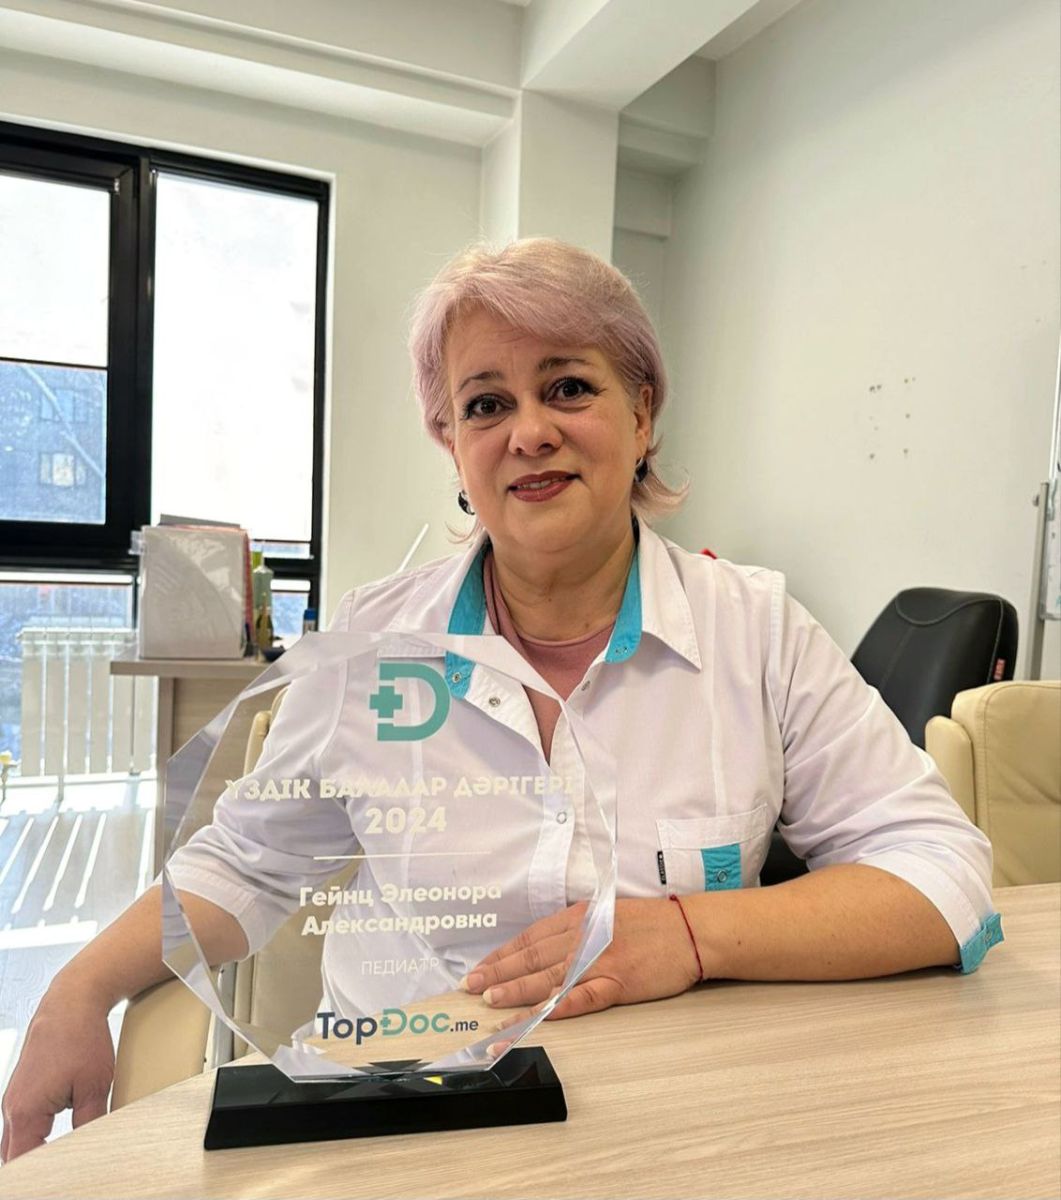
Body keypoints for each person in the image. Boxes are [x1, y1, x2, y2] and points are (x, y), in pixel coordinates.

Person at [1, 238, 1000, 1161]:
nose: (528, 432)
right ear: (450, 441)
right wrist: (78, 987)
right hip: (401, 1109)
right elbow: (246, 863)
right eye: (484, 405)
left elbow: (941, 872)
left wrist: (692, 935)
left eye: (567, 387)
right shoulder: (375, 644)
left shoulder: (756, 630)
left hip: (670, 1117)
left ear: (641, 414)